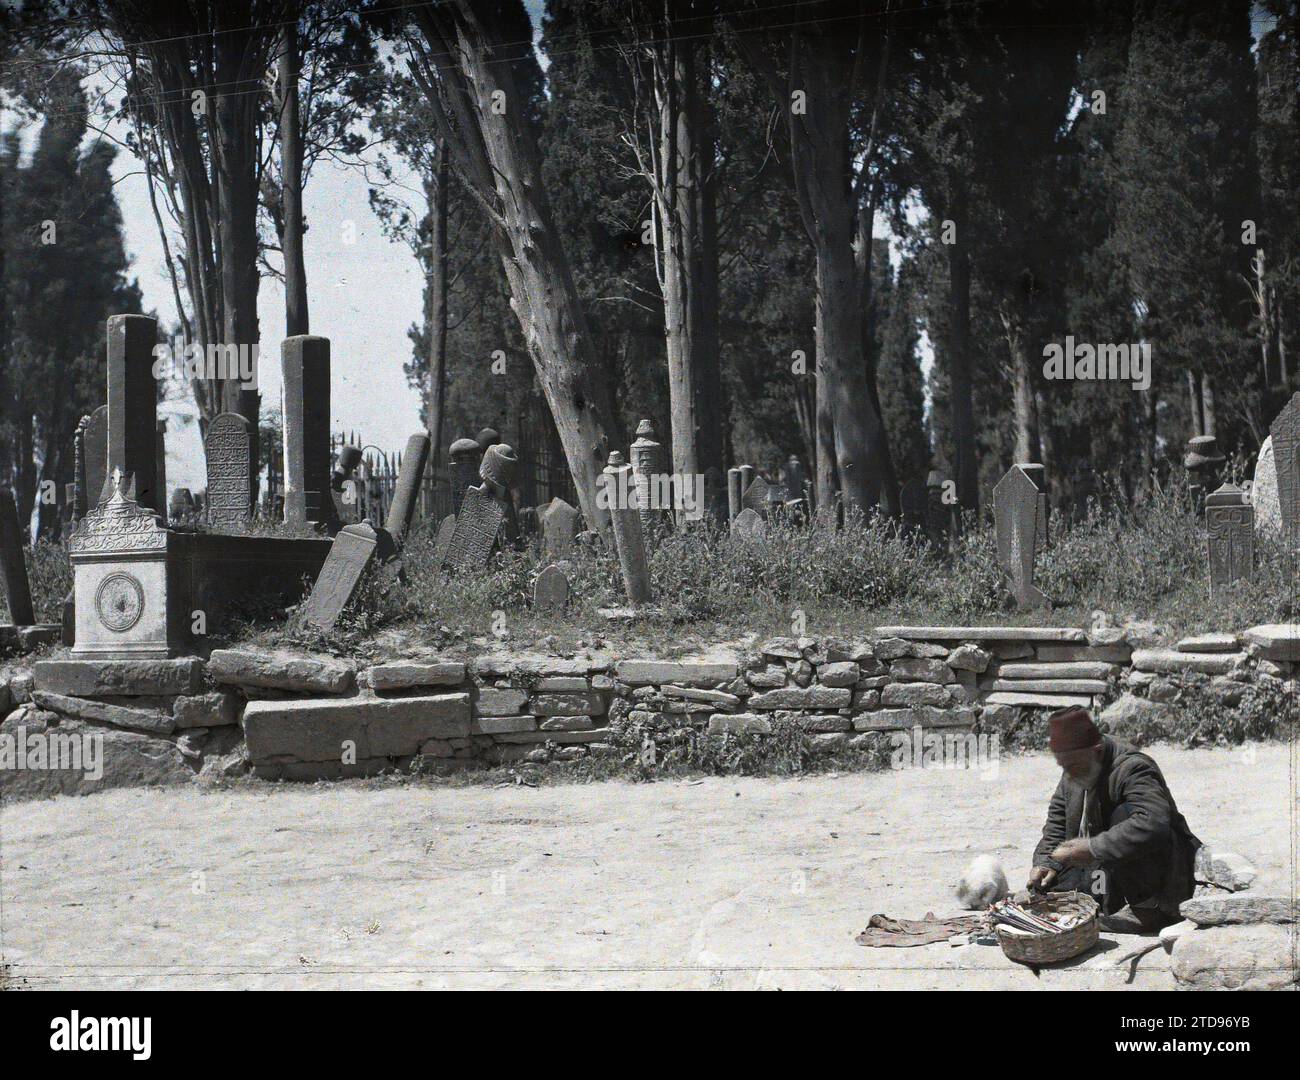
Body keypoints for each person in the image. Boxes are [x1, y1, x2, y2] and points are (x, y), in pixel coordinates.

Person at [1028, 706, 1201, 933]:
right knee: (1050, 889)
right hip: (1107, 868)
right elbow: (1058, 819)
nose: (1069, 774)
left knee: (1126, 816)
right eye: (1064, 767)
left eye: (1072, 766)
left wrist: (1091, 847)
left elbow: (1153, 822)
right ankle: (1109, 902)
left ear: (1097, 751)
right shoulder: (1077, 764)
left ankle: (1150, 910)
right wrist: (1046, 862)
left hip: (1158, 871)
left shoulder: (1133, 768)